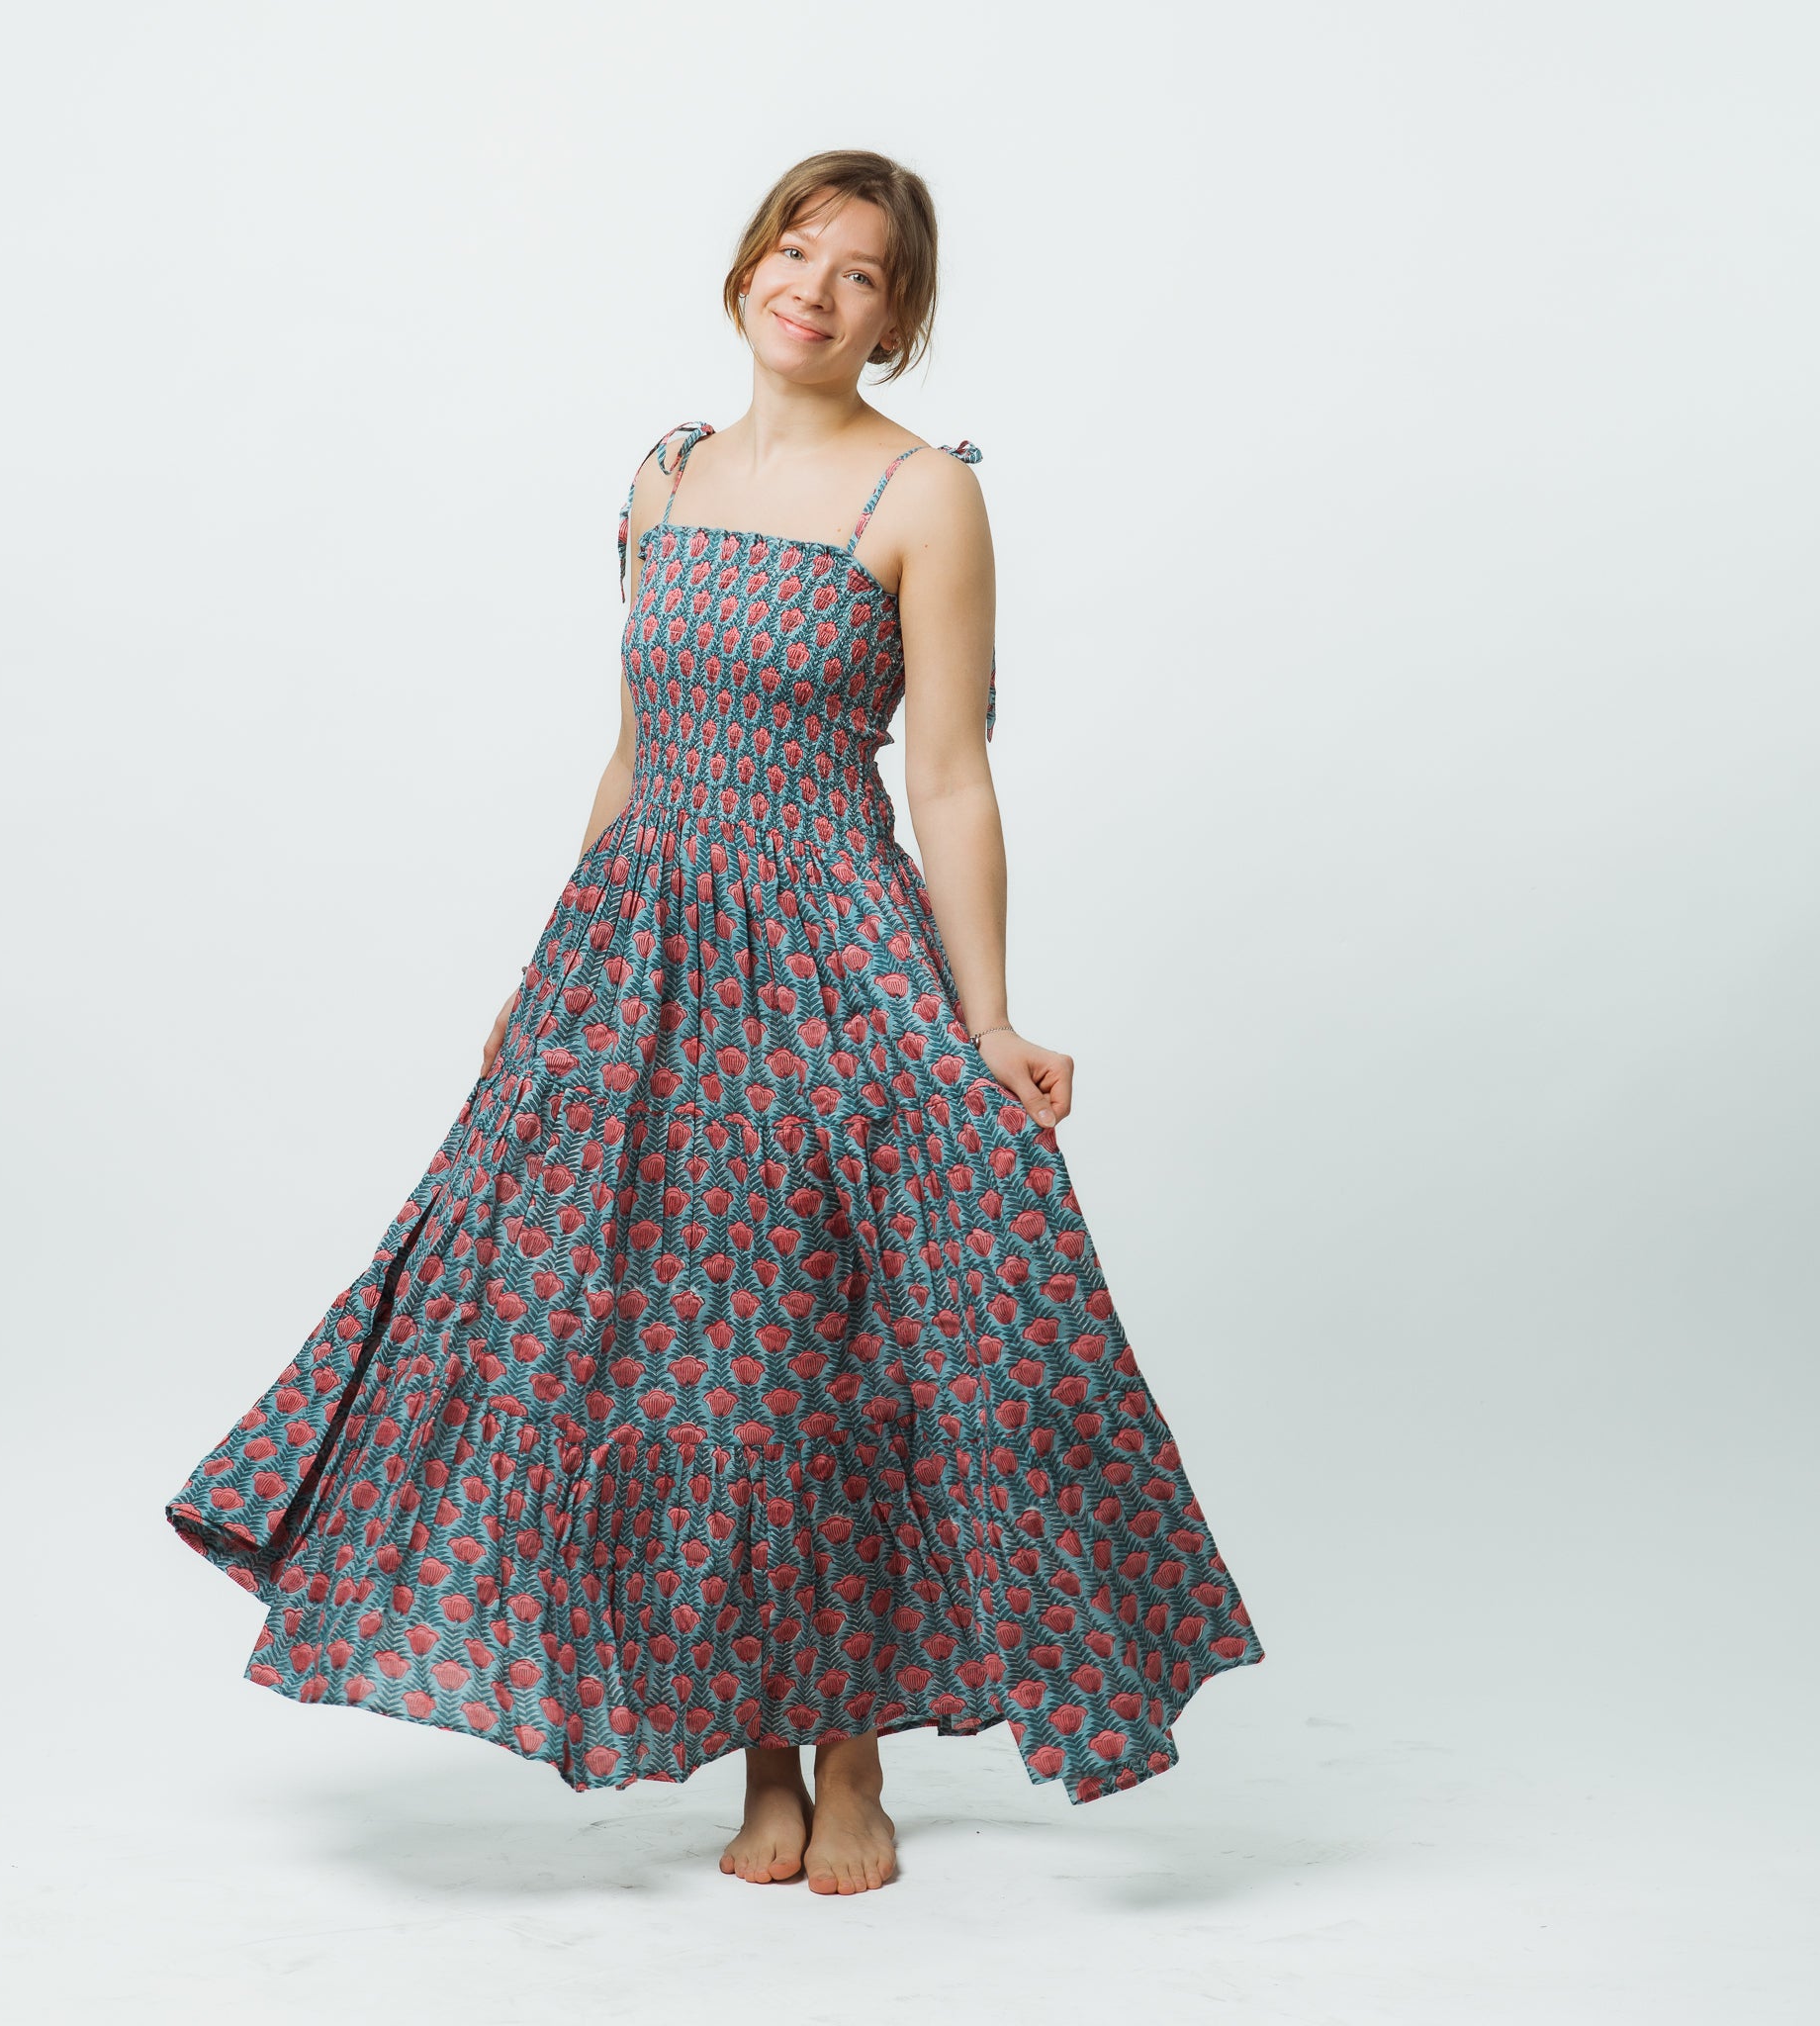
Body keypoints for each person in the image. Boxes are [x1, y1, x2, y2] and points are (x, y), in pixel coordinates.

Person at [166, 148, 1265, 1898]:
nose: (814, 286)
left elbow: (955, 775)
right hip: (647, 958)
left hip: (829, 947)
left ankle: (852, 1765)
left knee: (839, 1346)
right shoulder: (662, 478)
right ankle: (757, 1754)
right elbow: (629, 752)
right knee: (696, 1353)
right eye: (793, 248)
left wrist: (983, 1016)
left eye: (861, 271)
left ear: (898, 318)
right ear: (749, 266)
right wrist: (546, 974)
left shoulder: (922, 499)